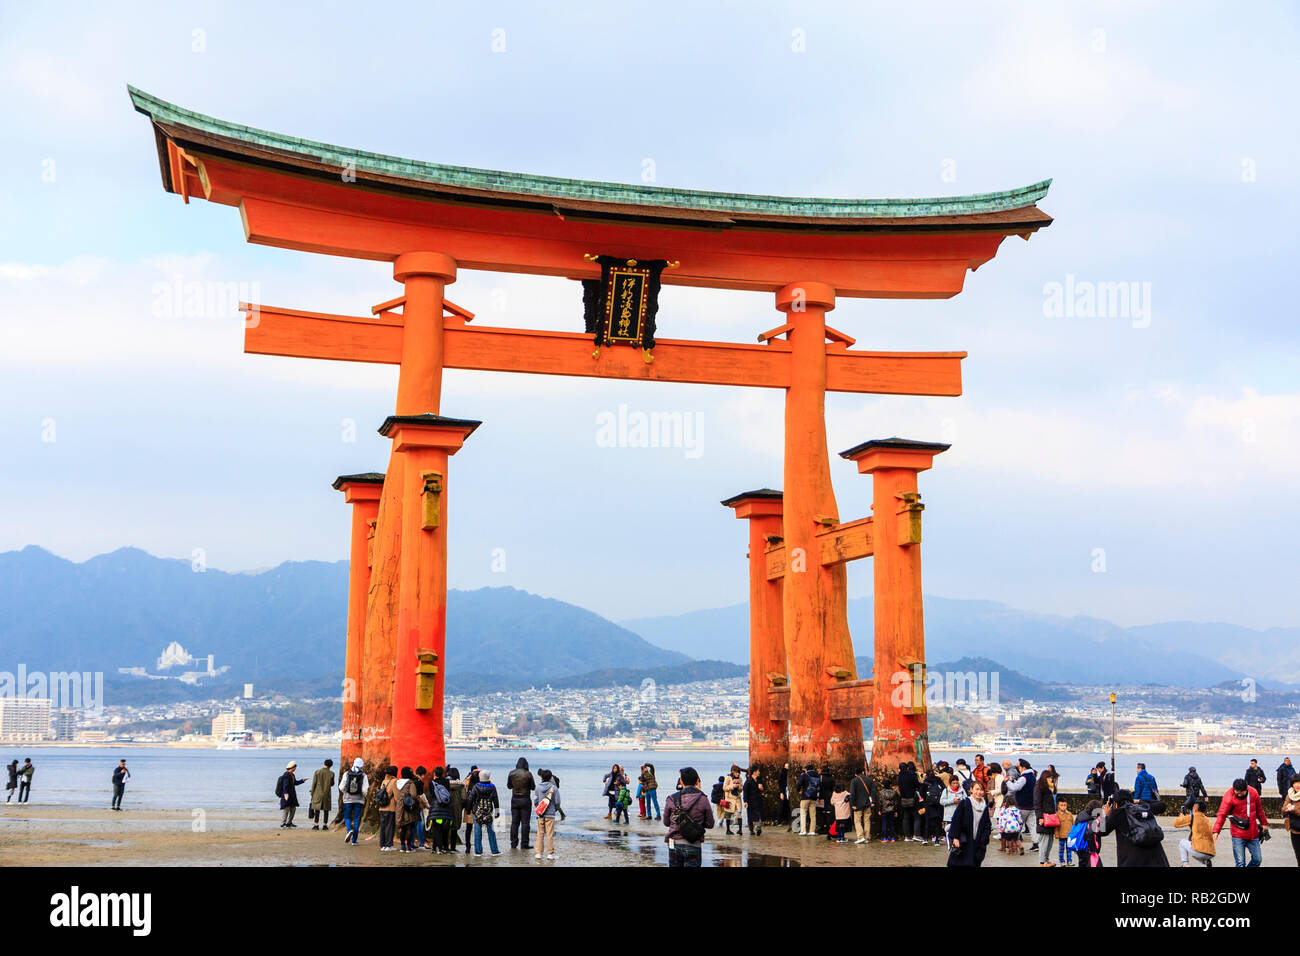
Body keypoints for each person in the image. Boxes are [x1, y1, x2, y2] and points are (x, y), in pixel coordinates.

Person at [1099, 789, 1169, 867]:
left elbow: (1100, 831)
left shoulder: (1119, 812)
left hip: (1132, 861)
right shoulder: (1143, 808)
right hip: (1158, 860)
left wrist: (1104, 815)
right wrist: (1138, 801)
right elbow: (1162, 805)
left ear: (1116, 804)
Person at [1212, 777, 1269, 868]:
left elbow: (1259, 810)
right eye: (1237, 792)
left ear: (1246, 789)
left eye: (1241, 792)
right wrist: (1216, 831)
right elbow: (1222, 814)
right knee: (1240, 863)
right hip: (1237, 834)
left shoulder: (1253, 792)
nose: (1239, 795)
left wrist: (1264, 823)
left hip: (1253, 833)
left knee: (1257, 860)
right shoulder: (1229, 796)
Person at [663, 766, 714, 867]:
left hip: (674, 843)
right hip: (693, 843)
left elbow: (666, 822)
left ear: (681, 782)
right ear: (697, 781)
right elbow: (710, 824)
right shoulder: (703, 799)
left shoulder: (672, 798)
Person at [946, 781, 992, 867]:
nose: (979, 792)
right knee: (960, 862)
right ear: (971, 790)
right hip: (964, 839)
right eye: (977, 789)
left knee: (975, 862)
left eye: (981, 789)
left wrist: (984, 839)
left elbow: (987, 825)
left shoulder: (984, 806)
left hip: (978, 841)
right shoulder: (965, 803)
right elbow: (956, 820)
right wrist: (955, 837)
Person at [1006, 759, 1038, 850]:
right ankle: (1035, 844)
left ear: (1023, 767)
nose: (1017, 769)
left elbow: (1015, 788)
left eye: (1018, 767)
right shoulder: (1032, 776)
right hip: (1032, 805)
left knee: (1018, 825)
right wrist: (1014, 781)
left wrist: (1007, 782)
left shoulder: (1024, 777)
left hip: (1023, 806)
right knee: (1032, 826)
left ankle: (1015, 843)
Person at [1174, 798, 1215, 867]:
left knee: (1182, 842)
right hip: (1211, 852)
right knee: (1197, 852)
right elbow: (1198, 830)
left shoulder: (1193, 817)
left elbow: (1176, 824)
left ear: (1195, 809)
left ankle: (1185, 864)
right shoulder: (1207, 820)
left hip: (1198, 850)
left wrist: (1181, 818)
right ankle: (1205, 862)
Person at [469, 768, 501, 856]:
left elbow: (470, 799)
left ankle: (478, 851)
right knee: (491, 831)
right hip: (488, 812)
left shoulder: (476, 787)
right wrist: (497, 811)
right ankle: (494, 851)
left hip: (477, 812)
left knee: (477, 831)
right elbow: (496, 800)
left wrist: (468, 810)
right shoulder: (492, 787)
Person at [533, 768, 563, 861]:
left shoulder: (537, 787)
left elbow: (535, 801)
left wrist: (538, 808)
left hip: (540, 814)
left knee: (540, 833)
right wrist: (555, 809)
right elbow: (558, 802)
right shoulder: (554, 788)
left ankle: (538, 853)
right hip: (550, 814)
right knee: (549, 834)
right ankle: (550, 854)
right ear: (550, 778)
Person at [395, 766, 426, 852]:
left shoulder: (396, 783)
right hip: (408, 807)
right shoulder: (410, 783)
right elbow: (413, 795)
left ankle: (402, 846)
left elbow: (395, 795)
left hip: (399, 807)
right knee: (409, 827)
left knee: (402, 828)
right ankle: (408, 847)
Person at [338, 757, 368, 846]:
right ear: (361, 765)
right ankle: (354, 841)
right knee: (357, 819)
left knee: (347, 817)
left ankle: (348, 830)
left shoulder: (347, 774)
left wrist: (346, 793)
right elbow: (365, 790)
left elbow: (341, 787)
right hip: (359, 800)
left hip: (348, 799)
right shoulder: (364, 775)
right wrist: (362, 795)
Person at [506, 756, 535, 850]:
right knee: (525, 823)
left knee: (514, 823)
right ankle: (524, 844)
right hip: (525, 799)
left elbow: (509, 786)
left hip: (514, 799)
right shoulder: (528, 774)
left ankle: (513, 844)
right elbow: (533, 787)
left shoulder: (511, 773)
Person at [1033, 770, 1059, 866]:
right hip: (1044, 817)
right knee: (1044, 840)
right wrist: (1040, 817)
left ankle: (1047, 860)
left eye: (1051, 777)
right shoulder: (1038, 788)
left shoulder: (1049, 788)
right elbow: (1037, 803)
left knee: (1050, 840)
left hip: (1051, 817)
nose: (1050, 779)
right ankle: (1042, 862)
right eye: (1048, 777)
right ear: (1044, 778)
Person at [426, 766, 453, 854]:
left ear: (434, 774)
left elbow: (432, 795)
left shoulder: (432, 783)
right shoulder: (446, 781)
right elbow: (448, 793)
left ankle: (439, 848)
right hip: (445, 808)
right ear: (442, 773)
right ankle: (439, 847)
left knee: (437, 828)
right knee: (443, 828)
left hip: (436, 809)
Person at [1074, 800, 1105, 868]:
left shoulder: (1081, 815)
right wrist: (1093, 849)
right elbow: (1090, 833)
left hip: (1080, 847)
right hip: (1089, 850)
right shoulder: (1092, 819)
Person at [276, 760, 306, 828]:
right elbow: (285, 786)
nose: (295, 768)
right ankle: (283, 823)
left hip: (292, 796)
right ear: (292, 767)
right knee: (286, 810)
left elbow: (295, 783)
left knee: (293, 809)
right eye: (295, 767)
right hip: (287, 796)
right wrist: (286, 795)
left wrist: (303, 780)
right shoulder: (286, 775)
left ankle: (289, 823)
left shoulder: (292, 775)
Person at [897, 761, 922, 842]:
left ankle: (907, 837)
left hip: (903, 799)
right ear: (907, 768)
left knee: (906, 818)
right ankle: (916, 835)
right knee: (917, 817)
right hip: (912, 799)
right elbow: (917, 785)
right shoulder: (912, 775)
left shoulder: (899, 776)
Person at [375, 764, 398, 851]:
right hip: (390, 807)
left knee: (383, 826)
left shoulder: (384, 781)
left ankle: (382, 845)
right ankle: (389, 845)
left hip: (382, 807)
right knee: (390, 826)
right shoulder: (394, 781)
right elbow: (396, 795)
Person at [849, 765, 873, 844]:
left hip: (858, 804)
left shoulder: (854, 781)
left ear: (856, 774)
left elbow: (852, 793)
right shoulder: (869, 780)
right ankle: (867, 837)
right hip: (868, 803)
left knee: (857, 820)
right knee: (867, 820)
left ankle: (860, 837)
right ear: (863, 772)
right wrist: (874, 802)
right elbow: (873, 792)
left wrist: (852, 804)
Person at [922, 766, 945, 845]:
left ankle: (925, 839)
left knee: (928, 822)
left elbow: (921, 792)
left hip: (929, 805)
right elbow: (944, 789)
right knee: (938, 823)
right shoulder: (939, 781)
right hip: (938, 804)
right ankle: (937, 841)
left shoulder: (925, 781)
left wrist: (926, 799)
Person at [309, 758, 334, 831]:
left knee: (317, 810)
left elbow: (314, 783)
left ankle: (316, 825)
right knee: (326, 810)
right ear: (331, 766)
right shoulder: (332, 773)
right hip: (326, 794)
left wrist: (312, 793)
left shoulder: (317, 772)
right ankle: (325, 825)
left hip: (317, 793)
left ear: (324, 764)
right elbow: (332, 784)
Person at [795, 763, 820, 836]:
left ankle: (803, 830)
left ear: (807, 769)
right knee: (813, 815)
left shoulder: (804, 775)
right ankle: (812, 831)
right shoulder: (817, 775)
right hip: (814, 797)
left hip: (805, 797)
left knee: (803, 813)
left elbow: (799, 784)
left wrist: (799, 790)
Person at [446, 766, 466, 853]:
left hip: (446, 808)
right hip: (457, 809)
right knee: (454, 829)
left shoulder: (445, 784)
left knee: (446, 828)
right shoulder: (461, 785)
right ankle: (453, 848)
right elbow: (464, 798)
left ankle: (445, 847)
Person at [1281, 775, 1300, 865]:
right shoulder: (1290, 794)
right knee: (1298, 855)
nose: (1297, 785)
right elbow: (1283, 809)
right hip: (1294, 829)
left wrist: (1294, 809)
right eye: (1295, 783)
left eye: (1299, 783)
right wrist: (1286, 808)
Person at [941, 772, 964, 844]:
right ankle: (950, 846)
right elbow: (941, 801)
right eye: (954, 783)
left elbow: (966, 800)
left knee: (959, 831)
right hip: (949, 816)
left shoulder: (962, 791)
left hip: (960, 815)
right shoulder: (946, 791)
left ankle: (958, 845)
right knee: (950, 831)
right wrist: (952, 801)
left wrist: (961, 801)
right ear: (950, 783)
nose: (955, 785)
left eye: (957, 783)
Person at [1055, 796, 1075, 866]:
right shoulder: (1057, 815)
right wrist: (1056, 834)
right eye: (1061, 805)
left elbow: (1073, 824)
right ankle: (1062, 861)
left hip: (1069, 835)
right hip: (1061, 835)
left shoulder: (1069, 814)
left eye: (1065, 805)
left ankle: (1069, 861)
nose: (1063, 807)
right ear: (1058, 806)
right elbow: (1056, 826)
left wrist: (1074, 833)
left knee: (1069, 849)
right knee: (1061, 850)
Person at [742, 766, 763, 835]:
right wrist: (745, 801)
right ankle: (751, 830)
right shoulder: (748, 781)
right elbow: (745, 792)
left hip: (758, 801)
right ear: (754, 772)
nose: (759, 772)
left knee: (759, 815)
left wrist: (761, 788)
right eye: (758, 771)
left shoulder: (758, 780)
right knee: (750, 816)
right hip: (750, 801)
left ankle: (758, 828)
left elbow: (761, 789)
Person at [878, 777, 899, 842]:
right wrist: (895, 810)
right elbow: (895, 802)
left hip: (884, 810)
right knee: (891, 823)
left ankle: (885, 838)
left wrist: (879, 809)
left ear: (883, 785)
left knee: (884, 824)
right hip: (892, 810)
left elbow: (880, 802)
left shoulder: (881, 792)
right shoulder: (893, 792)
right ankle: (892, 837)